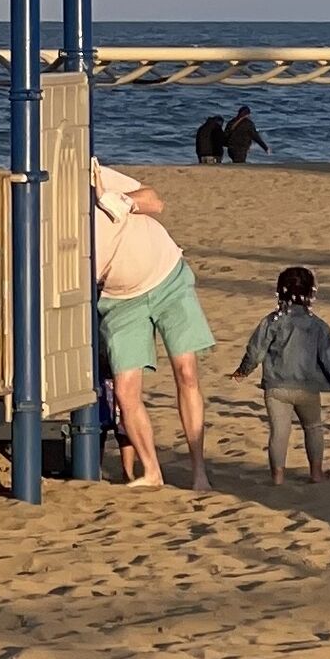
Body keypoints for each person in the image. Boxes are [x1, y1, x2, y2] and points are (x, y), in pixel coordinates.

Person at [91, 157, 215, 491]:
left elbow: (154, 201)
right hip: (119, 299)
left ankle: (199, 471)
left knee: (186, 371)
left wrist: (120, 200)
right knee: (125, 390)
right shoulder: (49, 210)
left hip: (166, 277)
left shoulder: (96, 175)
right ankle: (152, 472)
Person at [234, 264, 330, 482]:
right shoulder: (318, 326)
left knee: (279, 432)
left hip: (276, 387)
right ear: (310, 294)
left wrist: (243, 371)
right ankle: (316, 473)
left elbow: (255, 351)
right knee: (314, 427)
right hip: (306, 388)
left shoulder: (272, 321)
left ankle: (277, 476)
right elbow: (329, 358)